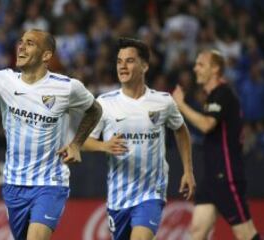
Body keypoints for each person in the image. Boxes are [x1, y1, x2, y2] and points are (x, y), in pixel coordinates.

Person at [0, 26, 102, 240]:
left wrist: (77, 143)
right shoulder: (4, 81)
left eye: (30, 43)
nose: (21, 46)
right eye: (21, 42)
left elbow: (95, 110)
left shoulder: (67, 88)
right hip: (14, 186)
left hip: (50, 183)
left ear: (46, 55)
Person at [82, 37, 196, 240]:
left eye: (129, 60)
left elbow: (181, 130)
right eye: (119, 61)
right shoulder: (104, 103)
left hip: (151, 194)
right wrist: (104, 146)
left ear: (144, 66)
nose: (122, 66)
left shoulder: (163, 102)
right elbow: (83, 141)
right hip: (118, 198)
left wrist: (188, 170)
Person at [172, 49, 260, 240]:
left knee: (246, 234)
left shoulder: (223, 94)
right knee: (197, 232)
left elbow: (206, 125)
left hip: (226, 176)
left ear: (215, 69)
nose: (195, 69)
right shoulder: (213, 97)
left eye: (201, 64)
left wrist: (180, 105)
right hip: (211, 177)